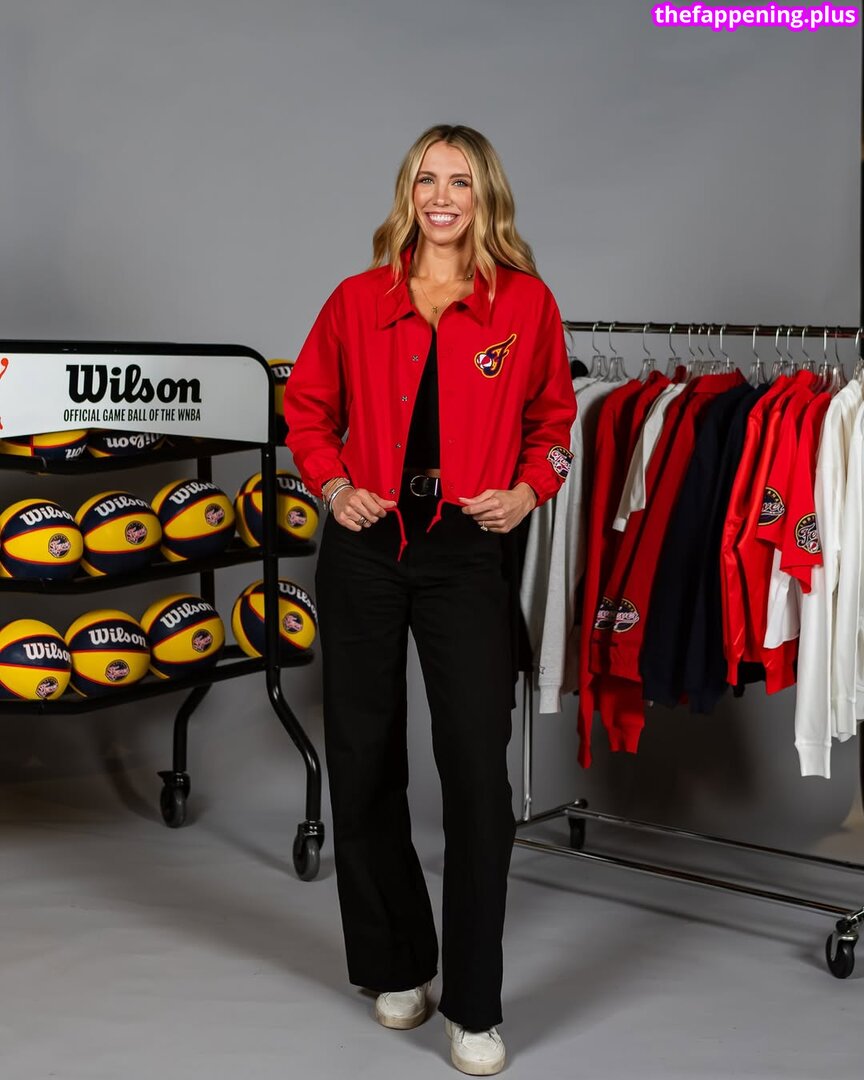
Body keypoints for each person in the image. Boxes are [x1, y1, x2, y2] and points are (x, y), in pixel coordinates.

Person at [284, 123, 577, 1076]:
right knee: (364, 759)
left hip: (466, 553)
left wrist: (528, 490)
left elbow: (556, 424)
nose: (441, 197)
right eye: (425, 179)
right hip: (364, 549)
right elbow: (306, 409)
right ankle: (396, 964)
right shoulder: (356, 299)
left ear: (486, 195)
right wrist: (333, 485)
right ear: (407, 194)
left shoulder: (525, 304)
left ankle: (475, 1004)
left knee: (476, 777)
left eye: (459, 181)